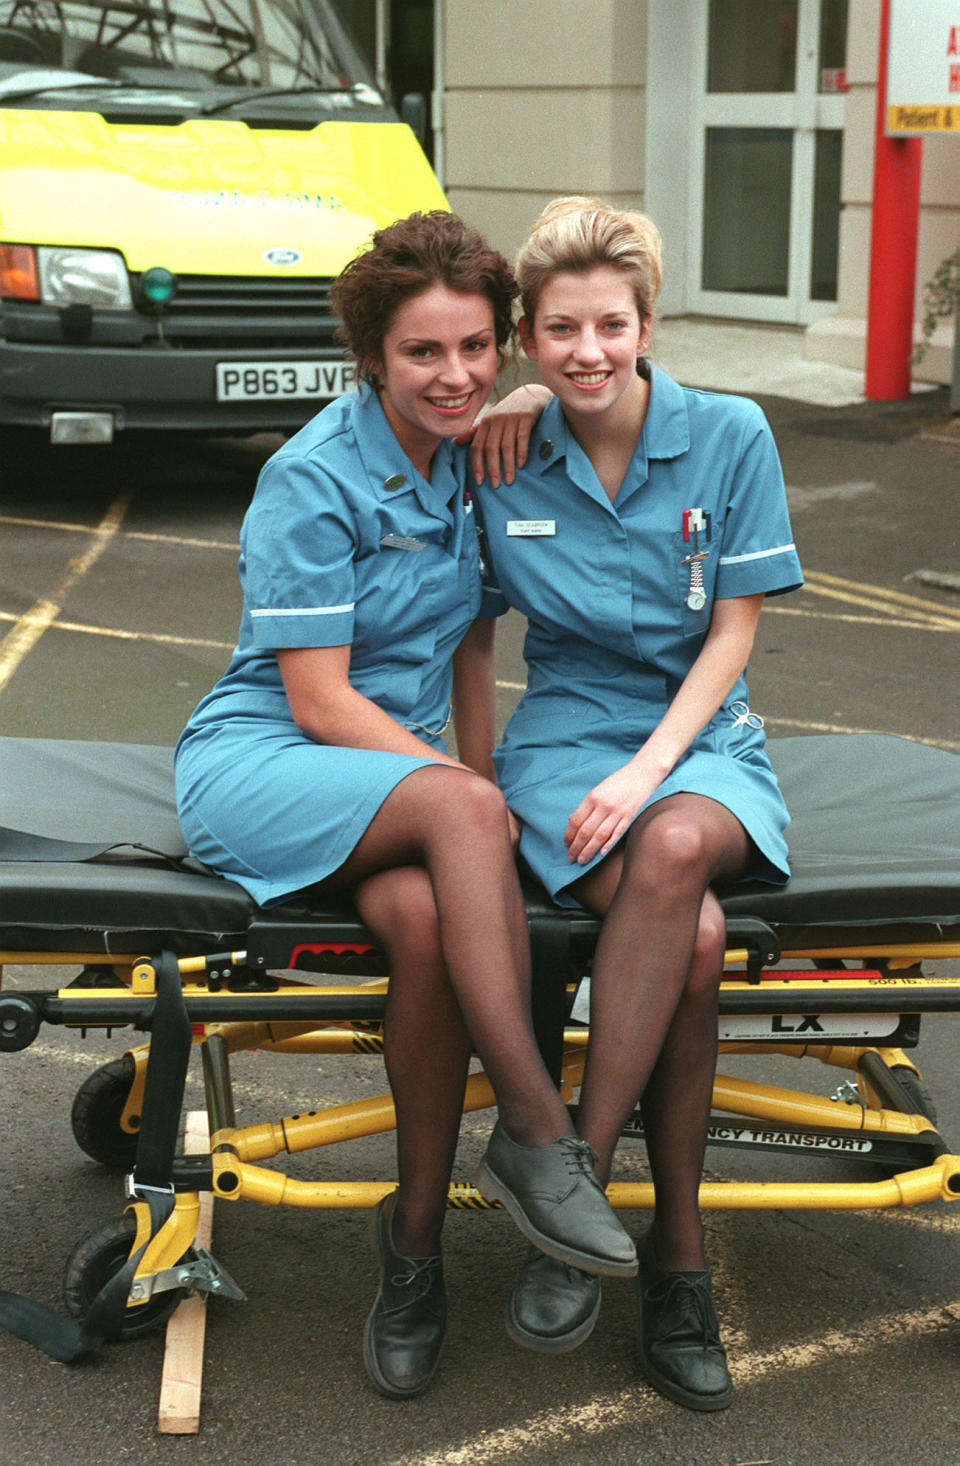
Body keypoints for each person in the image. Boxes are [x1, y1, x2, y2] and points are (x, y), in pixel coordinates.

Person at [174, 210, 635, 1402]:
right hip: (267, 762)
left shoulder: (475, 455)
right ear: (371, 356)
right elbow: (320, 701)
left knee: (436, 924)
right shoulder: (311, 477)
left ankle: (414, 1246)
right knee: (472, 814)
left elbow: (476, 654)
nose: (457, 375)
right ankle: (541, 1132)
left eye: (479, 348)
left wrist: (533, 401)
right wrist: (468, 801)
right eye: (424, 353)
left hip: (390, 786)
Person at [474, 197, 803, 1412]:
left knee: (671, 844)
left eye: (611, 324)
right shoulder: (502, 450)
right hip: (561, 742)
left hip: (699, 742)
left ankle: (572, 1175)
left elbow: (736, 630)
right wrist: (470, 784)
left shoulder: (732, 434)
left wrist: (650, 762)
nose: (588, 351)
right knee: (697, 939)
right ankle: (675, 1259)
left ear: (649, 323)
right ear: (526, 334)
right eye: (559, 329)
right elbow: (465, 632)